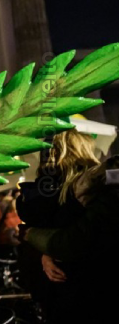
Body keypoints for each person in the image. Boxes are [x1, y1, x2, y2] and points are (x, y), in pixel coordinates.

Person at [16, 129, 101, 324]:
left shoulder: (70, 194)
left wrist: (43, 249)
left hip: (76, 290)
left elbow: (75, 238)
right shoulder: (82, 190)